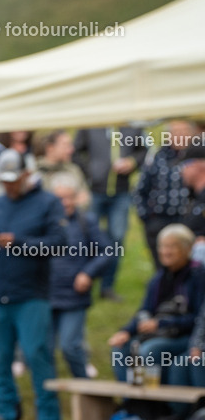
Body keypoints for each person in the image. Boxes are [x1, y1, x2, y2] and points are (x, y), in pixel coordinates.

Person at [0, 149, 66, 420]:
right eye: (4, 181)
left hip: (32, 294)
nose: (8, 186)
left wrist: (19, 243)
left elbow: (58, 244)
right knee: (0, 361)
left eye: (13, 180)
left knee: (37, 355)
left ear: (26, 174)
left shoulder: (48, 203)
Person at [108, 224, 205, 385]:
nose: (165, 251)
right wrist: (126, 331)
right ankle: (131, 402)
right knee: (119, 350)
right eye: (162, 246)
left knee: (149, 351)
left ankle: (153, 404)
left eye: (172, 247)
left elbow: (198, 317)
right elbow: (145, 310)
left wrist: (161, 323)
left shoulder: (198, 275)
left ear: (187, 249)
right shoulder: (158, 278)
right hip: (160, 333)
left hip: (185, 335)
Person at [49, 175, 114, 378]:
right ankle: (48, 395)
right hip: (45, 295)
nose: (66, 203)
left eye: (71, 197)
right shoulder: (43, 223)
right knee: (43, 349)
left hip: (75, 296)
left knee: (70, 345)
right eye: (61, 198)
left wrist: (88, 273)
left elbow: (107, 251)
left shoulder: (87, 221)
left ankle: (84, 387)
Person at [73, 126, 148, 301]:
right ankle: (85, 280)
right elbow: (75, 151)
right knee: (87, 238)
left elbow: (144, 151)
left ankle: (107, 286)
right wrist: (90, 171)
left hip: (121, 193)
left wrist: (132, 162)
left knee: (116, 239)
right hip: (94, 191)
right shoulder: (92, 123)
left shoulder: (133, 125)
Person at [133, 120, 198, 267]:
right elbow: (140, 189)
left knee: (189, 264)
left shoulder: (198, 158)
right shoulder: (157, 158)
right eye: (176, 132)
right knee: (163, 263)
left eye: (184, 132)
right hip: (159, 220)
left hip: (188, 221)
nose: (180, 136)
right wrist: (146, 217)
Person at [34, 131, 89, 204]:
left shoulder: (73, 170)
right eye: (66, 145)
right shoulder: (36, 171)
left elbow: (85, 200)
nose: (71, 150)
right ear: (50, 148)